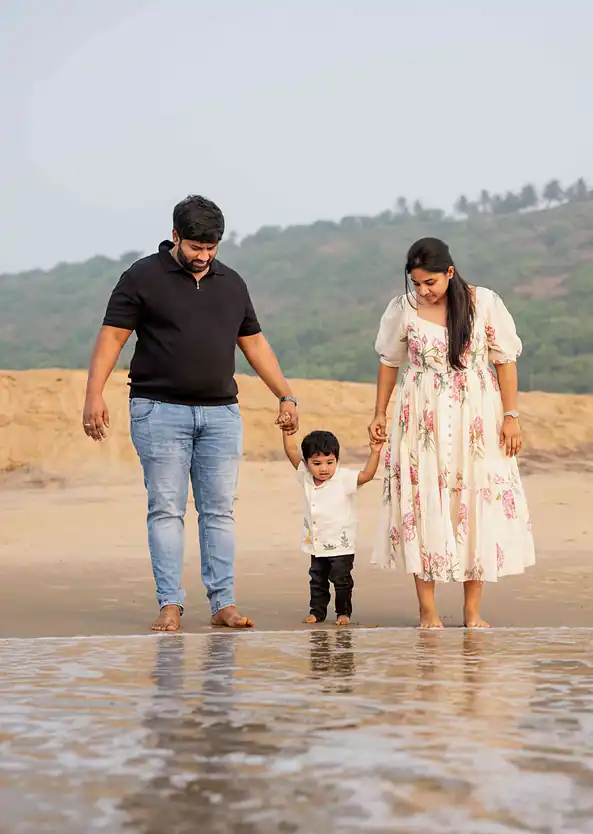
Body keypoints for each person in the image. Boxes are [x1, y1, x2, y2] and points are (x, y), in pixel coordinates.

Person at [82, 194, 299, 633]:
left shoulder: (232, 283)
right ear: (175, 236)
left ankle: (223, 603)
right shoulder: (142, 276)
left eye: (210, 248)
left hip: (221, 415)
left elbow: (254, 343)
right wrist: (94, 394)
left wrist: (285, 395)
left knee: (219, 512)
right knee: (166, 509)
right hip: (158, 411)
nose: (203, 256)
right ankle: (170, 604)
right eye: (195, 247)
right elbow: (113, 337)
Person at [368, 237, 535, 629]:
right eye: (416, 283)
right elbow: (390, 362)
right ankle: (427, 609)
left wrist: (511, 416)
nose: (424, 291)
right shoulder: (403, 308)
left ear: (449, 272)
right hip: (420, 414)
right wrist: (379, 412)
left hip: (475, 416)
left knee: (474, 501)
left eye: (430, 282)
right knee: (422, 499)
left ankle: (472, 610)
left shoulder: (484, 302)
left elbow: (505, 361)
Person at [281, 428, 383, 625]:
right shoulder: (306, 477)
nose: (324, 468)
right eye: (316, 463)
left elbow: (367, 475)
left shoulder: (343, 478)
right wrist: (287, 432)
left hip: (341, 545)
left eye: (330, 462)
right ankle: (317, 612)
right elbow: (291, 451)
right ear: (307, 463)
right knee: (317, 579)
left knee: (341, 580)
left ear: (337, 459)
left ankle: (343, 613)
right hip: (317, 543)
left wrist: (375, 452)